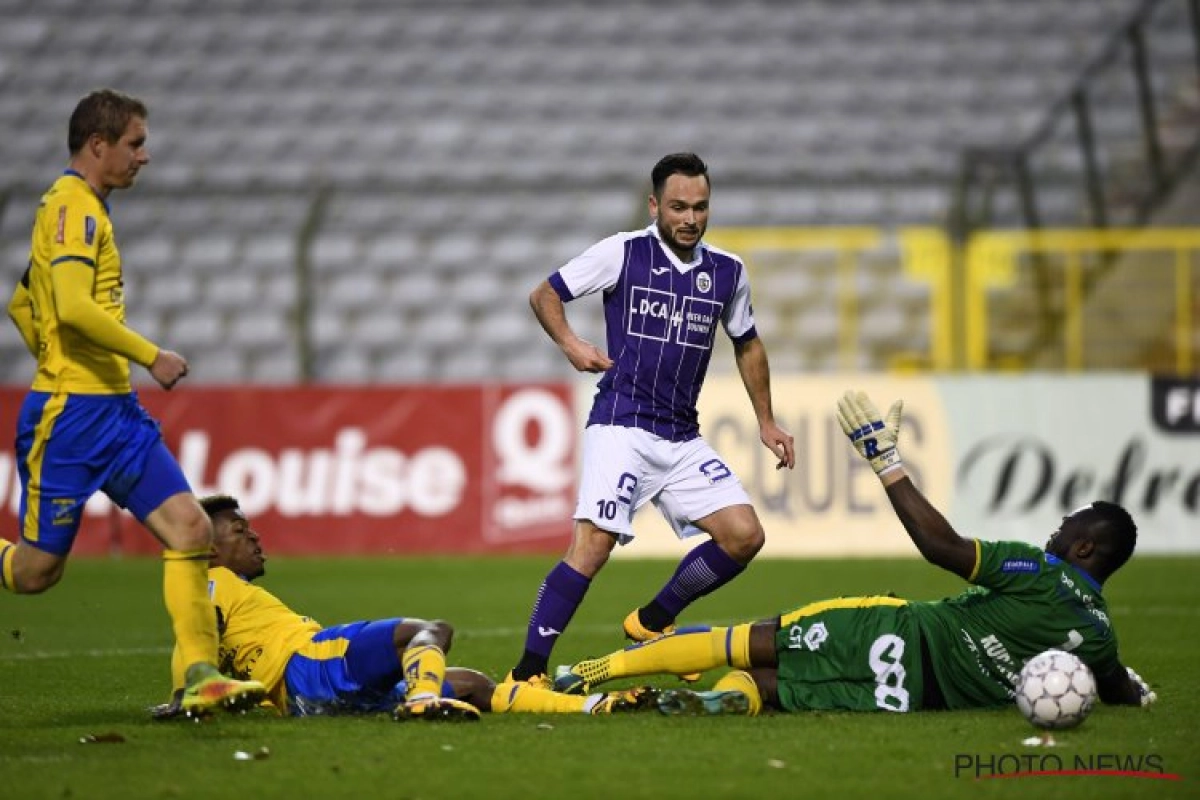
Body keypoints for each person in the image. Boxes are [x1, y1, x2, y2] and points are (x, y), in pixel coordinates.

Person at [554, 390, 1158, 716]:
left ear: (1083, 547)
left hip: (895, 628)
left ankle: (586, 673)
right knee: (774, 688)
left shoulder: (1038, 571)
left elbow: (941, 547)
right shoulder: (1099, 636)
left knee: (744, 639)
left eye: (1064, 529)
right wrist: (1130, 688)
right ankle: (717, 702)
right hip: (910, 697)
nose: (1054, 534)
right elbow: (1118, 692)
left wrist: (886, 463)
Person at [1, 89, 264, 715]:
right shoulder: (72, 208)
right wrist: (148, 354)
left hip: (115, 414)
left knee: (191, 528)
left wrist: (64, 356)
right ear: (99, 145)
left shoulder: (86, 208)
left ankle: (199, 676)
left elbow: (22, 302)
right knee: (37, 573)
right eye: (134, 143)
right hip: (70, 419)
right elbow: (69, 305)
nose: (143, 156)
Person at [507, 152, 796, 687]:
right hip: (622, 423)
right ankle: (528, 671)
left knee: (743, 536)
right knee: (592, 547)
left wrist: (766, 421)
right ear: (655, 205)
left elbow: (748, 344)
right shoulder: (623, 253)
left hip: (682, 435)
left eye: (701, 207)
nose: (690, 218)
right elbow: (544, 294)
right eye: (679, 206)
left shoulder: (728, 272)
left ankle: (652, 620)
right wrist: (571, 343)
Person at [150, 494, 659, 721]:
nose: (255, 538)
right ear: (210, 548)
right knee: (424, 630)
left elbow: (209, 642)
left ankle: (596, 705)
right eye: (241, 532)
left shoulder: (226, 587)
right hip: (311, 663)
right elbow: (195, 630)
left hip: (311, 697)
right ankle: (420, 701)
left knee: (474, 685)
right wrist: (182, 691)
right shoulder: (211, 578)